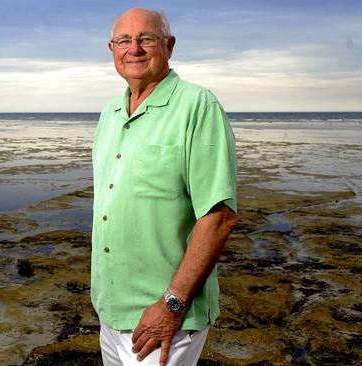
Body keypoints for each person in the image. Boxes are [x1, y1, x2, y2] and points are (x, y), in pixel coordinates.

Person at [91, 7, 238, 366]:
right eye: (124, 40)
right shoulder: (110, 113)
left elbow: (218, 217)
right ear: (111, 49)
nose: (134, 48)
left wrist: (171, 305)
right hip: (110, 315)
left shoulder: (198, 106)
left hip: (164, 320)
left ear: (168, 45)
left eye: (146, 39)